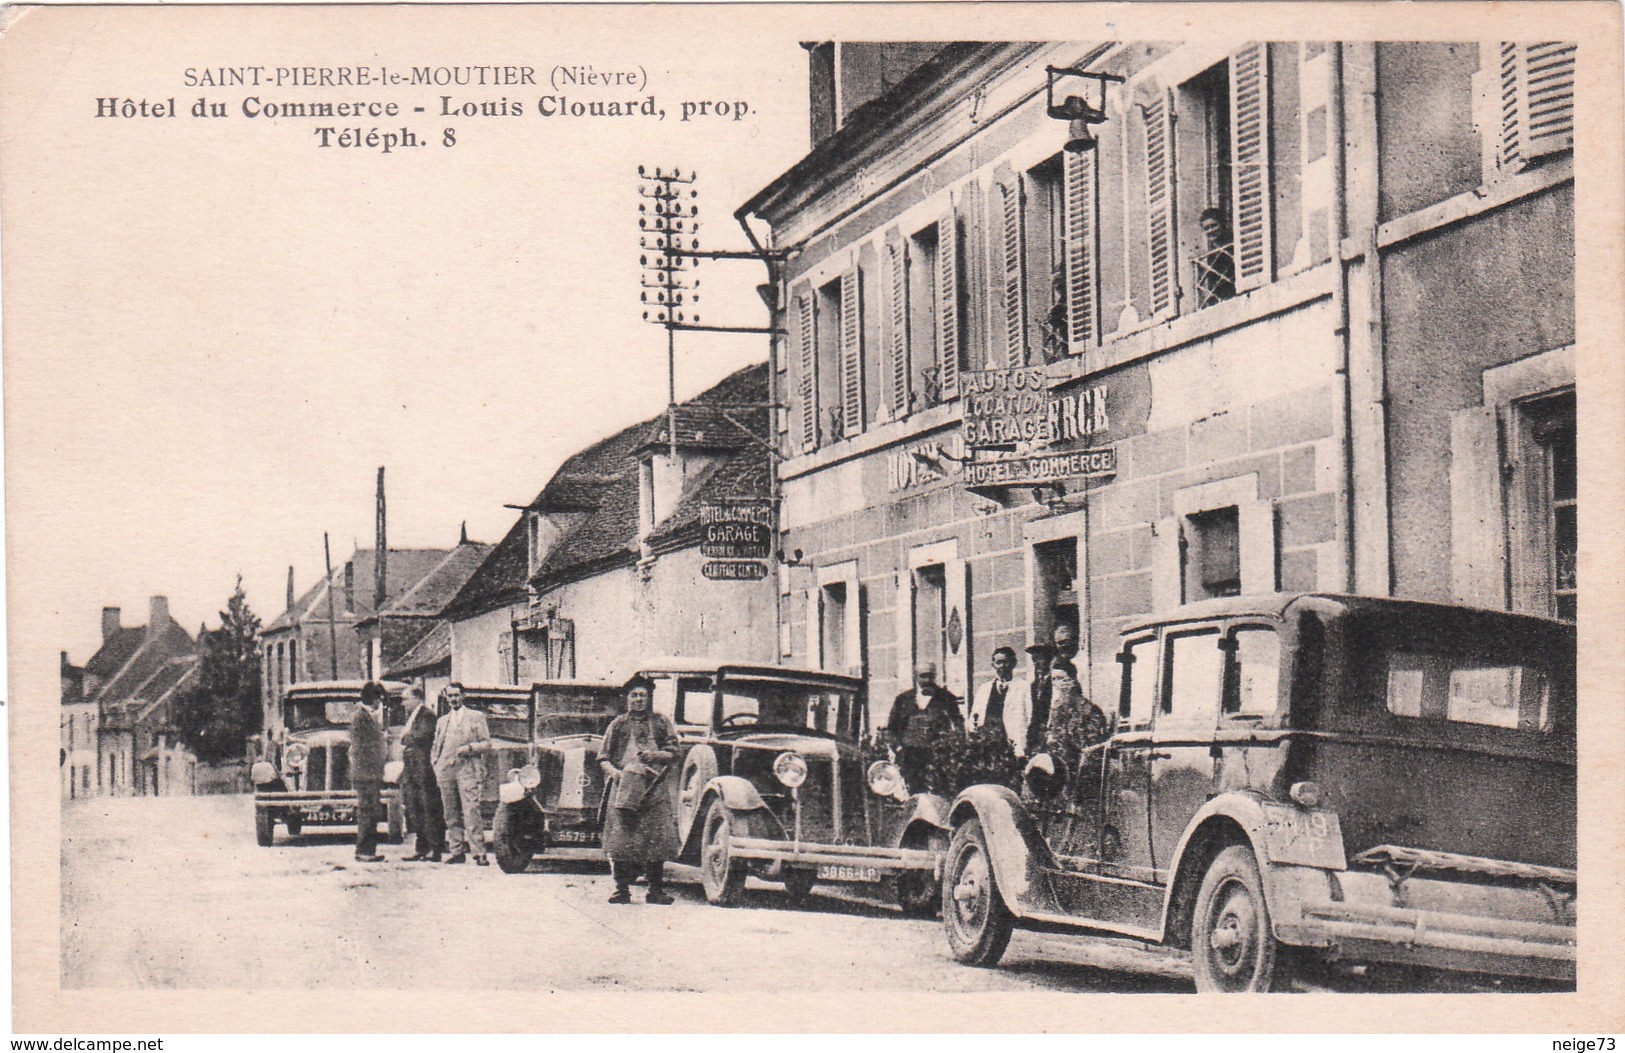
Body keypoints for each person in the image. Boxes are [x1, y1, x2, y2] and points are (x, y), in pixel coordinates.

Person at [598, 675, 680, 905]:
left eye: (643, 695)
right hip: (623, 790)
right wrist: (615, 774)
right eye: (634, 695)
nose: (638, 699)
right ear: (627, 698)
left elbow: (675, 752)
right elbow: (603, 758)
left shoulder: (661, 722)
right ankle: (621, 890)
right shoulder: (618, 725)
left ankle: (655, 891)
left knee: (656, 840)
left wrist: (654, 756)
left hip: (654, 790)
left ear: (649, 698)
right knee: (621, 841)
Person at [1026, 657, 1113, 800]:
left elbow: (1093, 745)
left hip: (1079, 769)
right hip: (1057, 770)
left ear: (1072, 680)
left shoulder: (1087, 709)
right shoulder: (1056, 707)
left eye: (1061, 678)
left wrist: (1066, 738)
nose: (1057, 684)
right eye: (1054, 679)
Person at [430, 682, 491, 866]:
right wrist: (436, 763)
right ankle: (456, 851)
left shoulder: (476, 717)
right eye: (450, 696)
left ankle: (479, 853)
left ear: (462, 696)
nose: (454, 699)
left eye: (456, 695)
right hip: (446, 771)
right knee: (450, 812)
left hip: (467, 770)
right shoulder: (442, 721)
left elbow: (487, 743)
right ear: (446, 698)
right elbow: (436, 745)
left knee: (471, 810)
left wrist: (469, 748)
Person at [884, 663, 964, 793]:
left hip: (937, 755)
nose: (927, 680)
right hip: (910, 756)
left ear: (935, 676)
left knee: (939, 791)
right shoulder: (903, 699)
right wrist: (898, 748)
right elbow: (891, 728)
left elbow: (958, 724)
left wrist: (953, 748)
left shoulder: (946, 697)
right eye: (923, 676)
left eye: (930, 676)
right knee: (912, 791)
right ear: (916, 677)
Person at [399, 683, 445, 862]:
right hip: (412, 770)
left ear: (417, 698)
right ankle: (421, 848)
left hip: (424, 770)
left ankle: (435, 848)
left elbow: (421, 736)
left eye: (406, 699)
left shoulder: (427, 715)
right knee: (416, 810)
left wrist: (405, 738)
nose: (403, 703)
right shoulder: (412, 716)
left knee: (429, 809)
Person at [349, 681, 388, 863]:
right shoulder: (361, 717)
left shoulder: (365, 716)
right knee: (367, 812)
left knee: (371, 811)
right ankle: (364, 851)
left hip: (369, 773)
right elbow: (361, 747)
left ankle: (368, 850)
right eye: (380, 699)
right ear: (375, 699)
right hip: (366, 774)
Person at [969, 646, 1032, 758]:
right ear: (993, 665)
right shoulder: (983, 689)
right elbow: (974, 719)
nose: (1002, 666)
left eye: (1006, 662)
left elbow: (1030, 718)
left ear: (1014, 663)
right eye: (999, 662)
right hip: (988, 746)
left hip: (1013, 745)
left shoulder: (1024, 687)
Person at [1024, 642, 1057, 758]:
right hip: (1036, 735)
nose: (1036, 664)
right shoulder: (1034, 685)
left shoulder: (1056, 682)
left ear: (1048, 660)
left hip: (1051, 734)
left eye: (1039, 659)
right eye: (1034, 660)